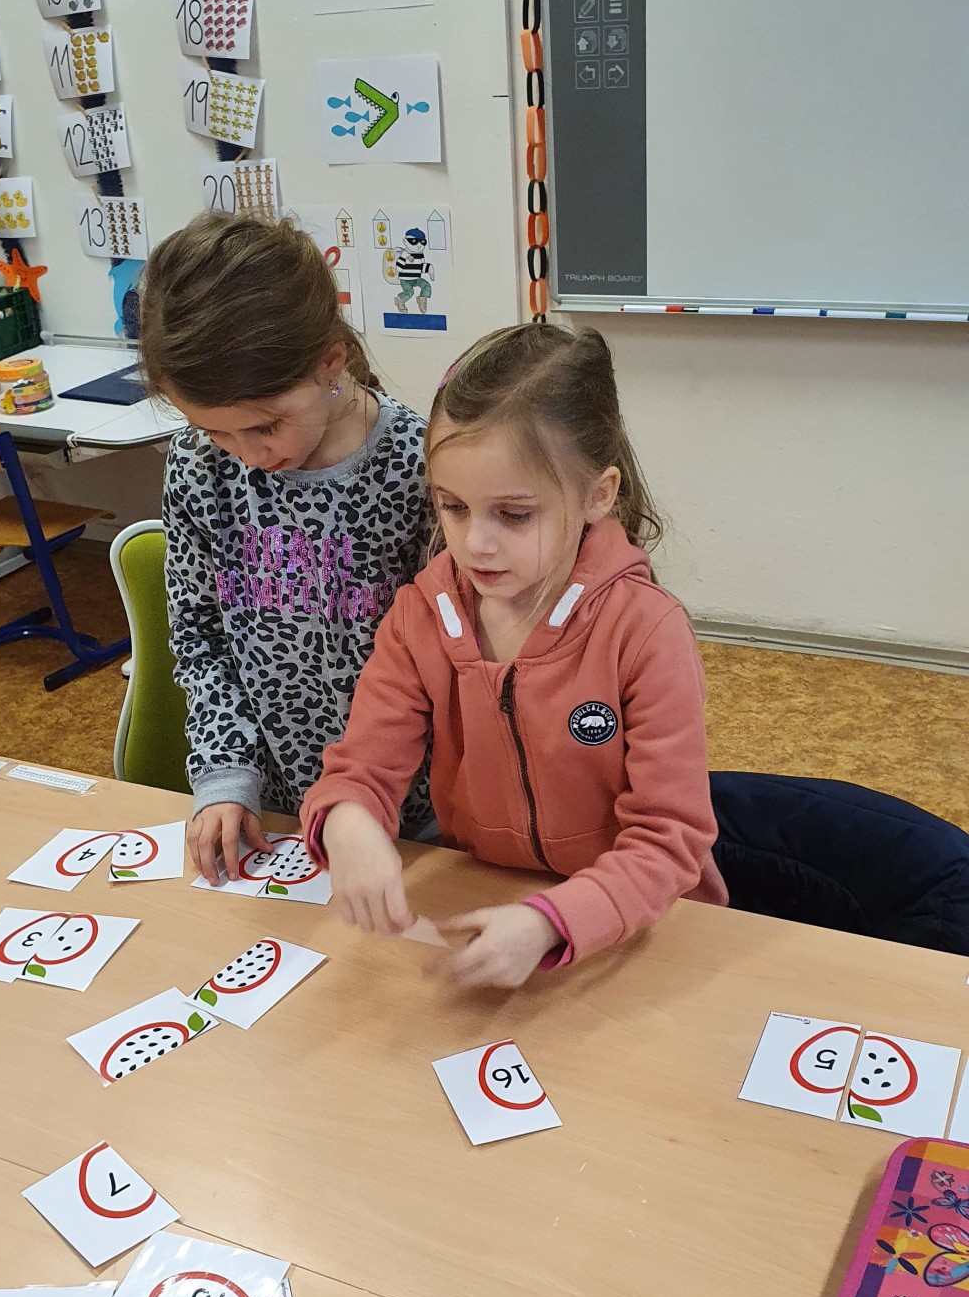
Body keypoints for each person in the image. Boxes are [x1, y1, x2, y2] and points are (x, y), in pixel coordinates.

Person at [301, 323, 727, 987]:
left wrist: (551, 922)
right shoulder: (420, 616)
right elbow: (363, 766)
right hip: (491, 899)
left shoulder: (645, 632)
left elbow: (669, 842)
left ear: (597, 495)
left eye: (515, 514)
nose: (476, 543)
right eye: (453, 507)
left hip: (635, 932)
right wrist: (348, 820)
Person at [140, 211, 434, 884]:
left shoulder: (418, 469)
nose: (246, 455)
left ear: (330, 362)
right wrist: (225, 775)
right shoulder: (199, 467)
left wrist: (382, 803)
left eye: (266, 426)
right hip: (271, 816)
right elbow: (198, 632)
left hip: (411, 818)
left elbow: (452, 667)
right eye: (216, 431)